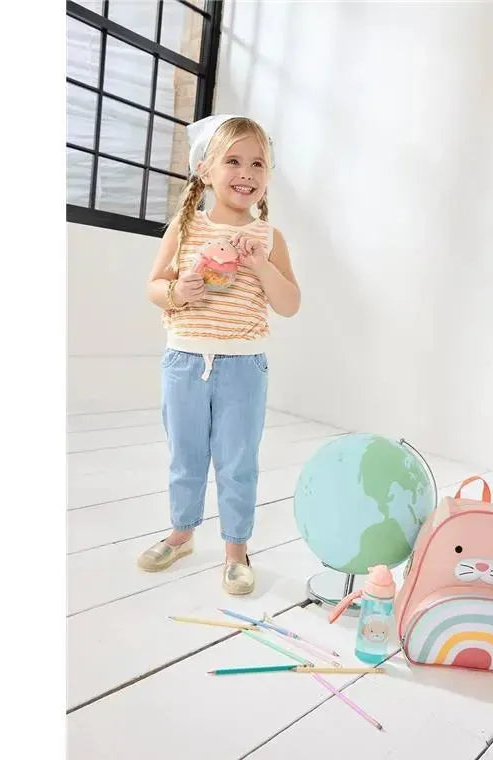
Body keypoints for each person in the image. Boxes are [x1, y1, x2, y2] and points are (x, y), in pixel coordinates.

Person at [137, 115, 301, 595]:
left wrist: (261, 265)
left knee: (237, 461)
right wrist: (176, 292)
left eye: (258, 163)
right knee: (185, 456)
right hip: (184, 362)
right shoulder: (186, 227)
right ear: (204, 170)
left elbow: (289, 304)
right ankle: (182, 534)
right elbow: (154, 285)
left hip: (243, 367)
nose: (246, 172)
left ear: (267, 175)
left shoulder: (269, 238)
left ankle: (236, 550)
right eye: (233, 161)